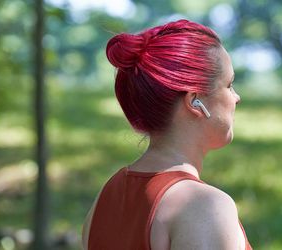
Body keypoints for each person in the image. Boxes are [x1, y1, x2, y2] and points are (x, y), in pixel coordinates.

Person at [82, 19, 252, 250]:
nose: (236, 97)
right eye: (229, 85)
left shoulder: (107, 195)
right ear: (195, 101)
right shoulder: (204, 207)